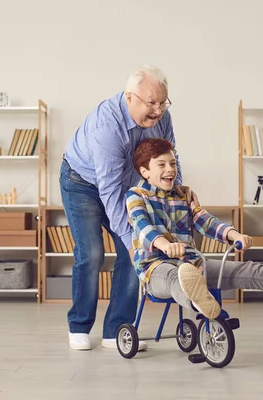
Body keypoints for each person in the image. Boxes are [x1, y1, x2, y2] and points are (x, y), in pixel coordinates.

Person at [125, 138, 263, 318]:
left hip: (192, 264)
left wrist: (235, 234)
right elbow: (142, 226)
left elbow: (205, 220)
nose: (170, 169)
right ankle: (200, 302)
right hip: (155, 269)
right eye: (161, 164)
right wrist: (165, 245)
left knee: (249, 270)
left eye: (173, 163)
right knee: (176, 276)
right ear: (144, 171)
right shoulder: (135, 196)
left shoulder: (182, 196)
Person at [60, 65, 199, 351]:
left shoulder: (162, 118)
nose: (158, 110)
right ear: (130, 98)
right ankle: (79, 325)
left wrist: (177, 193)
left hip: (123, 184)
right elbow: (108, 190)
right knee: (92, 254)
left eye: (163, 102)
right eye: (151, 103)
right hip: (82, 183)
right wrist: (134, 241)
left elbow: (170, 159)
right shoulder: (107, 126)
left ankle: (116, 330)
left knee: (134, 251)